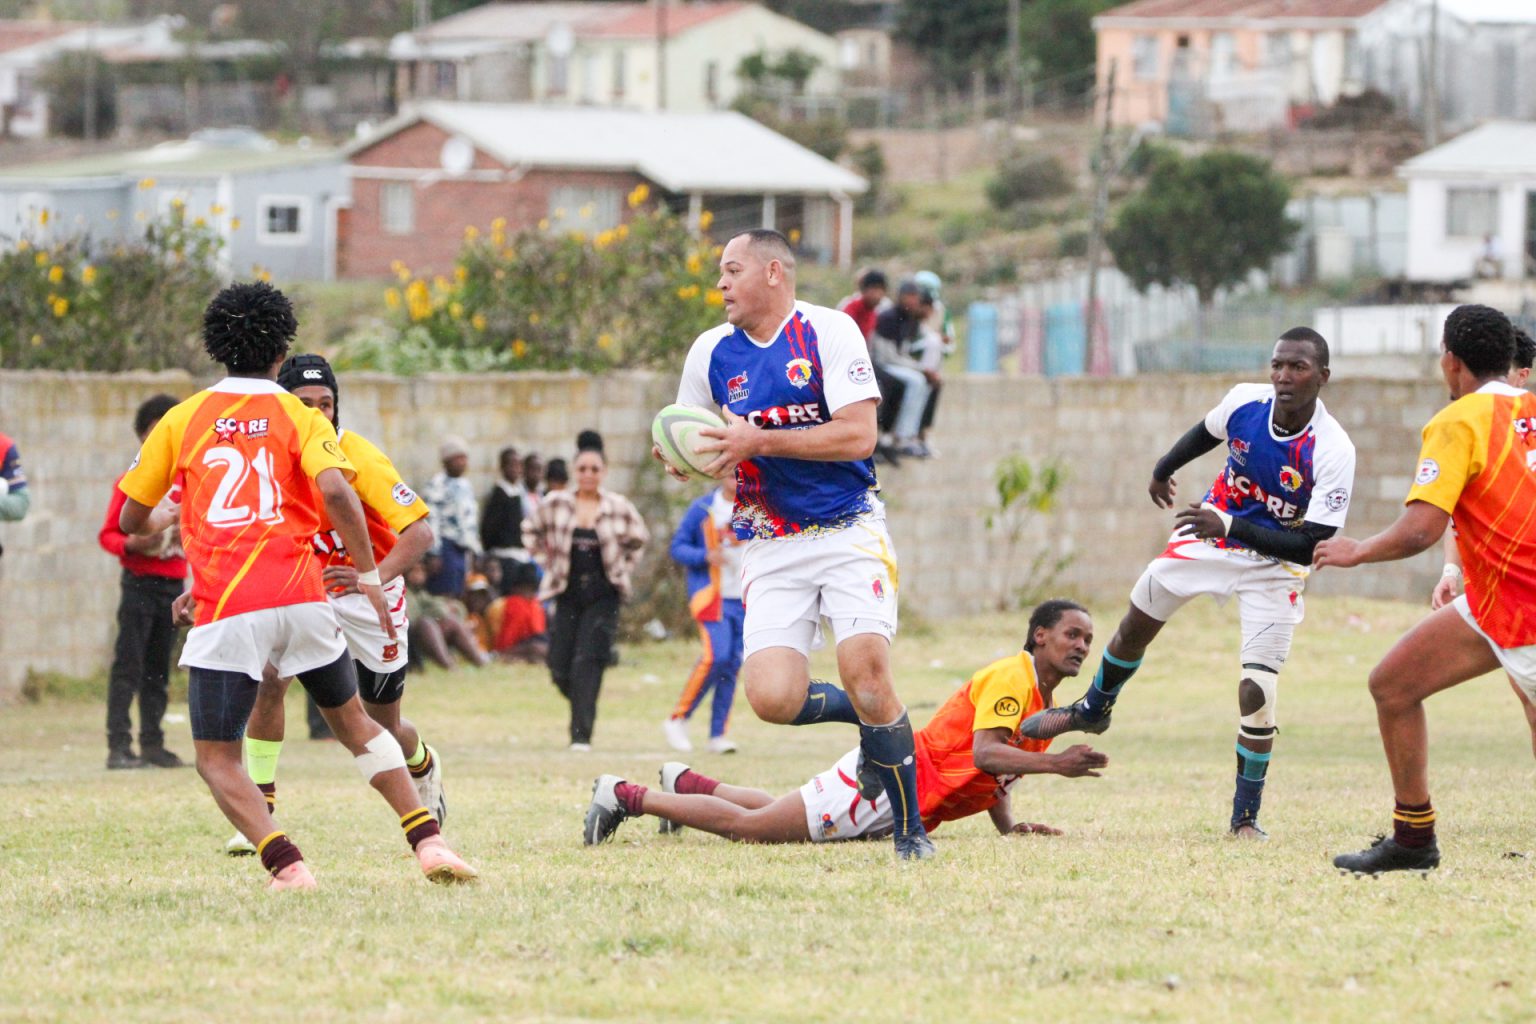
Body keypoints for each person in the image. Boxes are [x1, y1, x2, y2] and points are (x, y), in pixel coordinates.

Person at [116, 281, 475, 890]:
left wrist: (161, 527)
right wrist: (367, 574)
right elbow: (334, 491)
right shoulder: (294, 416)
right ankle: (429, 841)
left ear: (215, 348)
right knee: (359, 725)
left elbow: (131, 518)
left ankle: (287, 865)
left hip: (230, 605)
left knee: (215, 756)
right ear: (280, 353)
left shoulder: (182, 418)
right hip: (306, 599)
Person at [659, 228, 935, 860]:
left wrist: (759, 441)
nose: (720, 284)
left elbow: (860, 435)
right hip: (768, 540)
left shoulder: (829, 332)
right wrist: (682, 457)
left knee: (864, 669)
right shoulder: (710, 353)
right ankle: (880, 726)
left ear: (774, 272)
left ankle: (909, 830)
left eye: (732, 270)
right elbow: (697, 436)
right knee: (773, 698)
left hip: (848, 528)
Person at [1020, 328, 1356, 840]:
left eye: (1299, 368)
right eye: (1278, 365)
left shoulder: (1333, 449)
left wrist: (1235, 527)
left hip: (1274, 566)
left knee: (1257, 689)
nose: (1284, 376)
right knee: (1136, 621)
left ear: (1323, 378)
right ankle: (1093, 708)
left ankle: (1245, 818)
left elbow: (1312, 542)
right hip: (1210, 537)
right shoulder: (1247, 401)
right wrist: (1163, 469)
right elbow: (1206, 431)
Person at [584, 600, 1109, 846]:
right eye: (1072, 634)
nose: (1082, 646)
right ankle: (624, 796)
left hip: (897, 794)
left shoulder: (1037, 694)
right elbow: (986, 755)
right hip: (887, 784)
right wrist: (1060, 765)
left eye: (1087, 639)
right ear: (1039, 635)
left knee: (778, 814)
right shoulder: (1011, 677)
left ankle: (686, 784)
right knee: (752, 832)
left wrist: (1010, 825)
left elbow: (994, 777)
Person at [1315, 304, 1536, 875]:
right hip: (1494, 604)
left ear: (1451, 362)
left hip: (1521, 609)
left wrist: (1357, 549)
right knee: (1393, 684)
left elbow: (1421, 528)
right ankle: (1413, 839)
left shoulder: (1457, 422)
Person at [219, 353, 445, 855]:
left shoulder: (355, 455)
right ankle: (262, 806)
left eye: (327, 404)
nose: (319, 414)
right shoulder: (270, 457)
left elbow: (420, 533)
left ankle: (422, 762)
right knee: (270, 681)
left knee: (382, 725)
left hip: (372, 599)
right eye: (305, 404)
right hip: (305, 593)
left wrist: (373, 576)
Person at [1429, 326, 1536, 757]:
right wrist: (1451, 570)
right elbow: (1461, 512)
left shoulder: (1517, 425)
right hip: (1493, 595)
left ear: (1521, 375)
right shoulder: (1468, 424)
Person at [523, 447, 648, 750]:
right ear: (574, 472)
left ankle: (581, 736)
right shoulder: (556, 504)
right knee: (559, 665)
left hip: (604, 593)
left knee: (587, 661)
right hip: (566, 591)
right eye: (582, 469)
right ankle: (583, 700)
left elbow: (639, 539)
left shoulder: (618, 506)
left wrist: (622, 569)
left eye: (594, 469)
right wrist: (547, 562)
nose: (588, 475)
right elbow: (529, 531)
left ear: (604, 472)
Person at [98, 394, 188, 771]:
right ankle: (119, 745)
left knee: (158, 669)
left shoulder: (187, 483)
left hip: (172, 587)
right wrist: (134, 543)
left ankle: (153, 743)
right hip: (138, 583)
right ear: (141, 437)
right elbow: (108, 535)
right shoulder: (131, 483)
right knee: (128, 666)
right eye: (155, 434)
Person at [664, 474, 746, 754]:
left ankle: (717, 734)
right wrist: (704, 556)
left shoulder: (757, 507)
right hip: (712, 597)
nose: (736, 476)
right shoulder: (703, 508)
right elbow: (677, 548)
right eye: (731, 469)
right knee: (716, 656)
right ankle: (678, 718)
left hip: (745, 598)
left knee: (733, 663)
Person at [870, 282, 937, 458]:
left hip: (896, 362)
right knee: (916, 381)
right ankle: (900, 435)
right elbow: (887, 355)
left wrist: (921, 369)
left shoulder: (910, 319)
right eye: (911, 295)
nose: (915, 300)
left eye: (917, 297)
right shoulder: (888, 317)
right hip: (881, 363)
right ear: (902, 296)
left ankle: (910, 435)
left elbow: (904, 351)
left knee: (926, 383)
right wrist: (920, 369)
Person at [405, 558, 490, 670]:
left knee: (450, 622)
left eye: (421, 570)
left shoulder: (421, 593)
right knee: (426, 623)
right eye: (414, 570)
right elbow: (412, 616)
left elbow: (443, 609)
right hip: (407, 635)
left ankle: (480, 662)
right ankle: (448, 666)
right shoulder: (403, 591)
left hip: (423, 633)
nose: (419, 574)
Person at [422, 435, 480, 598]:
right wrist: (433, 552)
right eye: (458, 458)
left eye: (464, 458)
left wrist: (475, 549)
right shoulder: (437, 485)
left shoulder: (465, 485)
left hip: (462, 548)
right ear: (447, 461)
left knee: (460, 592)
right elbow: (431, 519)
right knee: (444, 593)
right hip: (445, 546)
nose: (462, 463)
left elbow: (470, 520)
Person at [481, 446, 536, 597]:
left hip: (520, 554)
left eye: (519, 465)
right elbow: (489, 528)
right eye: (511, 465)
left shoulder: (518, 492)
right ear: (503, 467)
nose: (516, 469)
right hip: (504, 556)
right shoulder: (499, 494)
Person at [837, 269, 888, 342]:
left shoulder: (877, 311)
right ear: (864, 290)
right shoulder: (851, 308)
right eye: (874, 289)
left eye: (880, 290)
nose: (877, 295)